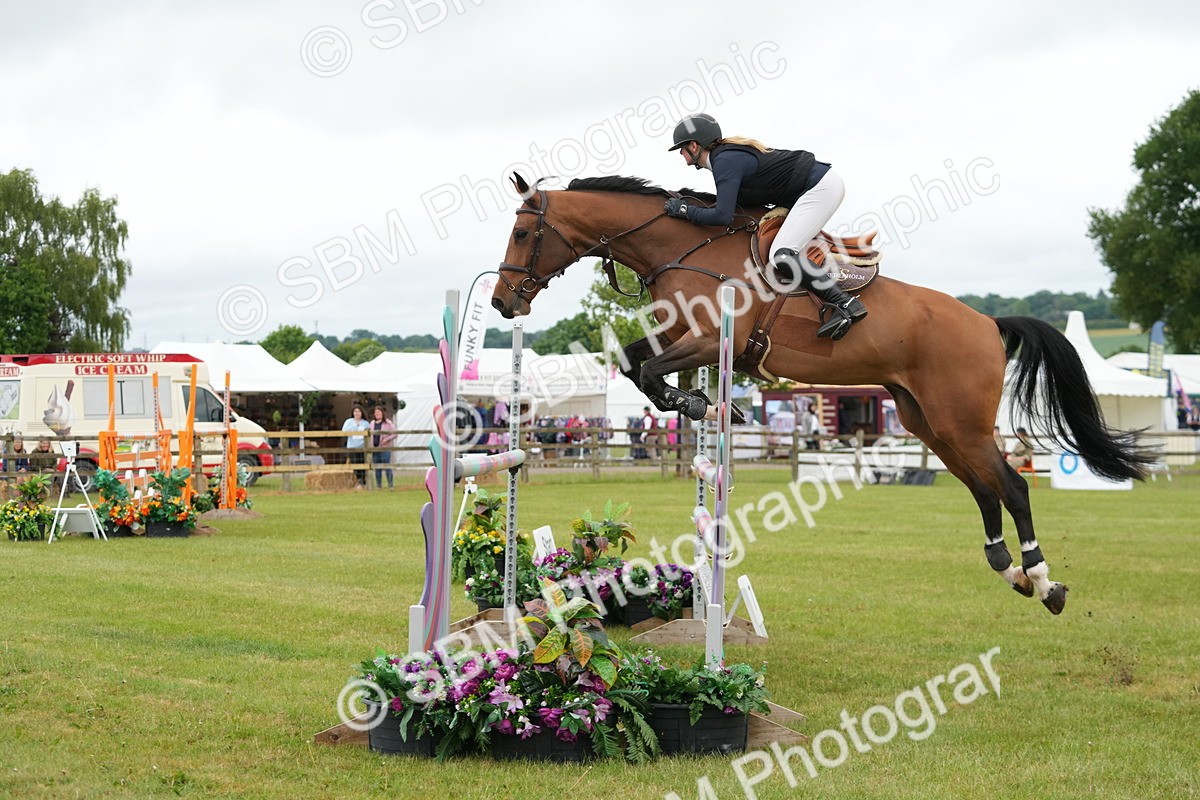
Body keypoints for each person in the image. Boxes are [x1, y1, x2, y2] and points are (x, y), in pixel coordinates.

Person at [665, 112, 867, 340]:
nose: (680, 153)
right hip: (812, 188)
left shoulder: (724, 161)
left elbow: (722, 216)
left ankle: (845, 303)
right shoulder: (724, 159)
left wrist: (685, 210)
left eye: (681, 148)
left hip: (820, 188)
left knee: (781, 255)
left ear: (694, 146)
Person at [369, 405, 396, 490]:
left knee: (387, 466)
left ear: (382, 413)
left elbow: (395, 433)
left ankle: (390, 485)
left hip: (385, 448)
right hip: (375, 448)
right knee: (377, 468)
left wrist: (386, 439)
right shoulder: (372, 423)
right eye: (376, 412)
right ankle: (379, 485)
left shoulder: (387, 422)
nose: (377, 414)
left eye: (379, 412)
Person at [342, 405, 370, 488]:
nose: (357, 413)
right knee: (355, 464)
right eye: (355, 411)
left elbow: (369, 433)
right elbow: (344, 431)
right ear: (353, 413)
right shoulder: (349, 421)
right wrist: (354, 426)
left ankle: (364, 481)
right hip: (352, 447)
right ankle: (359, 480)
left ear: (362, 413)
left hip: (363, 447)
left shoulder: (365, 423)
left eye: (359, 411)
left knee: (363, 463)